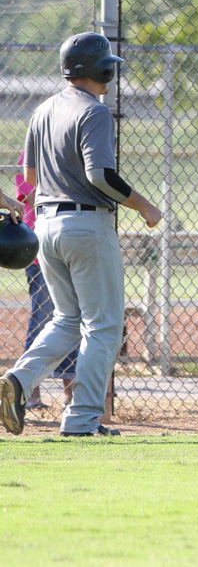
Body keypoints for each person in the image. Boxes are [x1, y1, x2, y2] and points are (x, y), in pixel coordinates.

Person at [3, 33, 162, 438]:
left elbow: (30, 179)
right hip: (85, 224)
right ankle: (82, 419)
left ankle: (18, 379)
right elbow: (99, 175)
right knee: (104, 324)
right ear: (101, 69)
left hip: (46, 225)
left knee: (67, 318)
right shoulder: (94, 112)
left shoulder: (43, 110)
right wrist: (143, 205)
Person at [14, 151, 73, 410]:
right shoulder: (32, 154)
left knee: (76, 320)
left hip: (71, 247)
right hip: (40, 252)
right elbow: (31, 196)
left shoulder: (73, 152)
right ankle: (30, 391)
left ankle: (71, 393)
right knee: (43, 318)